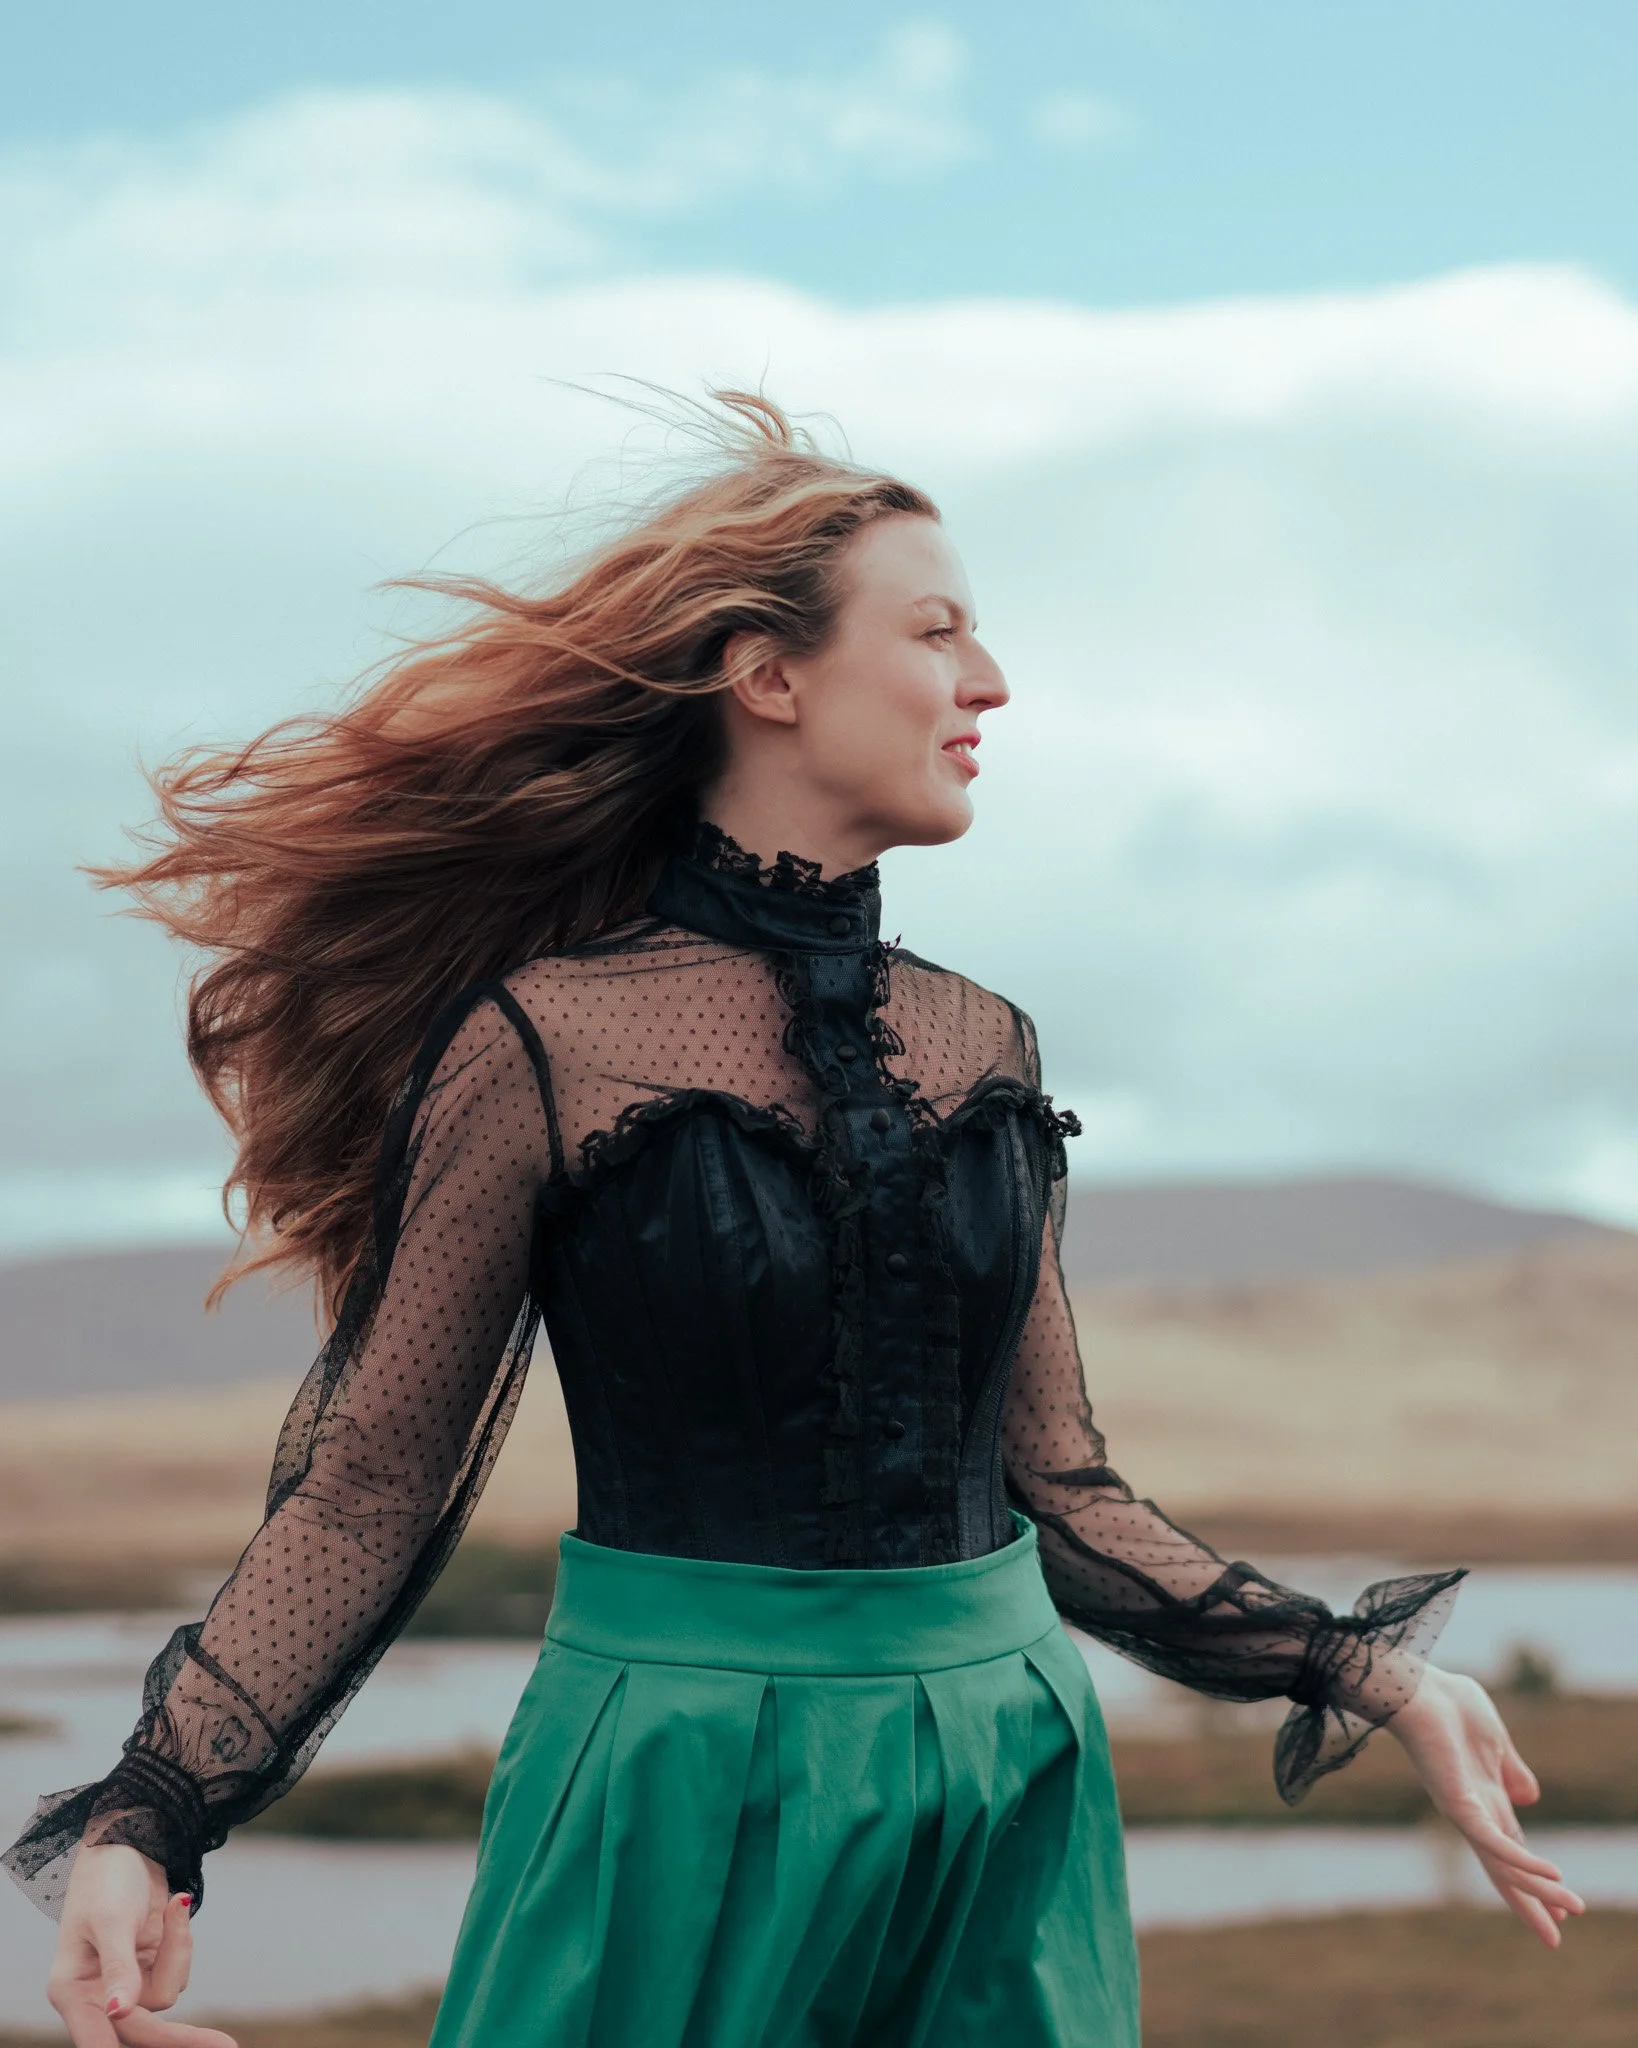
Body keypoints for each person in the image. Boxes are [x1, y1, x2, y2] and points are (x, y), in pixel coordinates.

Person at [7, 393, 1581, 2048]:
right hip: (676, 1780)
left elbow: (1058, 1487)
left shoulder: (984, 1046)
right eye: (936, 631)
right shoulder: (544, 1043)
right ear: (768, 677)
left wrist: (1370, 1672)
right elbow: (371, 1487)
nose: (991, 682)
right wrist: (149, 1816)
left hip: (1006, 1779)